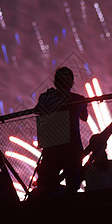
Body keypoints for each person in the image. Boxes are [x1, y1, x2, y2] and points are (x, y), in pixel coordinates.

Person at [33, 66, 88, 198]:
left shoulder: (46, 97)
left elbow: (37, 110)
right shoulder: (78, 98)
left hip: (52, 146)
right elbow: (84, 117)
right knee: (72, 185)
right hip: (72, 147)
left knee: (47, 185)